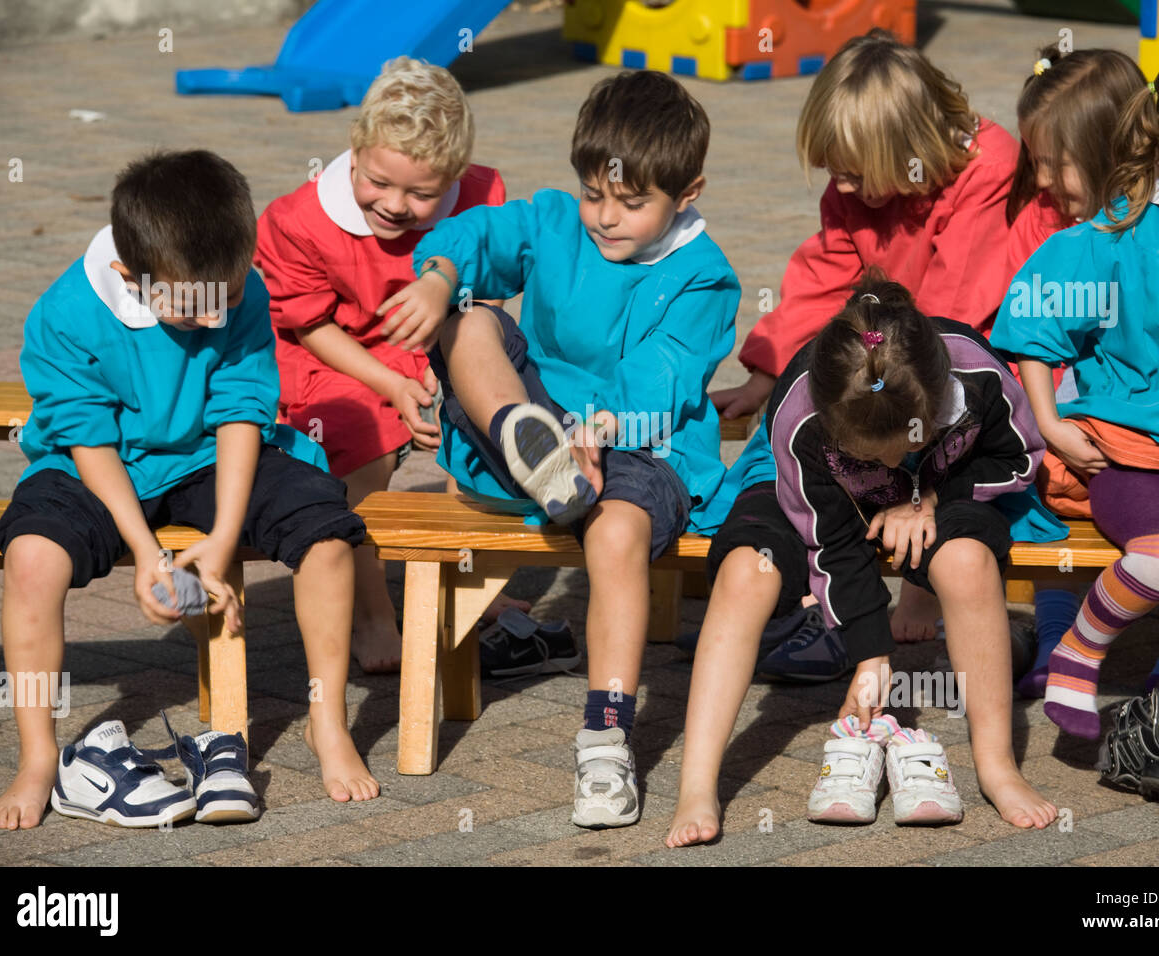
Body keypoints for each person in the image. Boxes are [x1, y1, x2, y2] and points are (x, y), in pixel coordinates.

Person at [0, 151, 380, 831]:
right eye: (194, 302)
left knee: (329, 535)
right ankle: (38, 756)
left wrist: (224, 535)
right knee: (31, 560)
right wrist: (146, 554)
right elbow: (89, 440)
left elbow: (238, 411)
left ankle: (327, 721)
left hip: (205, 455)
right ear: (127, 276)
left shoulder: (237, 290)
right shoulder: (65, 315)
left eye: (226, 297)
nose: (213, 315)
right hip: (97, 466)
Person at [391, 70, 741, 828]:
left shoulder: (706, 279)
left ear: (687, 193)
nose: (604, 217)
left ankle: (606, 735)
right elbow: (478, 236)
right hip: (541, 431)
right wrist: (439, 276)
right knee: (468, 319)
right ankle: (530, 446)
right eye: (594, 194)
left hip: (641, 447)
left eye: (630, 202)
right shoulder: (556, 223)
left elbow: (663, 380)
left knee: (616, 531)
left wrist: (599, 430)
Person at [667, 274, 1059, 847]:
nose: (887, 461)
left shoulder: (977, 372)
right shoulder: (799, 413)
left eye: (901, 445)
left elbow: (1021, 457)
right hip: (807, 497)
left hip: (945, 489)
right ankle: (697, 784)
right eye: (866, 453)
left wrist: (924, 499)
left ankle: (998, 767)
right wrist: (870, 655)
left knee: (967, 563)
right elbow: (831, 545)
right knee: (744, 573)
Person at [992, 22, 1159, 739]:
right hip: (1128, 446)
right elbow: (1035, 315)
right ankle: (1079, 653)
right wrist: (1051, 423)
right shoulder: (1125, 228)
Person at [710, 29, 1021, 662]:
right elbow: (823, 276)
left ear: (903, 149)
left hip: (957, 368)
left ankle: (892, 594)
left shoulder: (985, 167)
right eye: (834, 174)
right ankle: (780, 583)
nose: (841, 189)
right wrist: (766, 372)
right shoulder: (857, 188)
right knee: (783, 442)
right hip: (881, 357)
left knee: (890, 440)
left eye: (852, 175)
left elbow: (954, 316)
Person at [255, 57, 514, 673]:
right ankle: (372, 615)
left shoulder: (482, 195)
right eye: (379, 182)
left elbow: (489, 290)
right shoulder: (297, 221)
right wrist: (392, 381)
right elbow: (309, 323)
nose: (395, 205)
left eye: (421, 194)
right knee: (361, 447)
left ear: (452, 178)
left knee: (479, 429)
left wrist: (447, 361)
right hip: (333, 354)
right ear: (355, 151)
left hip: (434, 342)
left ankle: (462, 589)